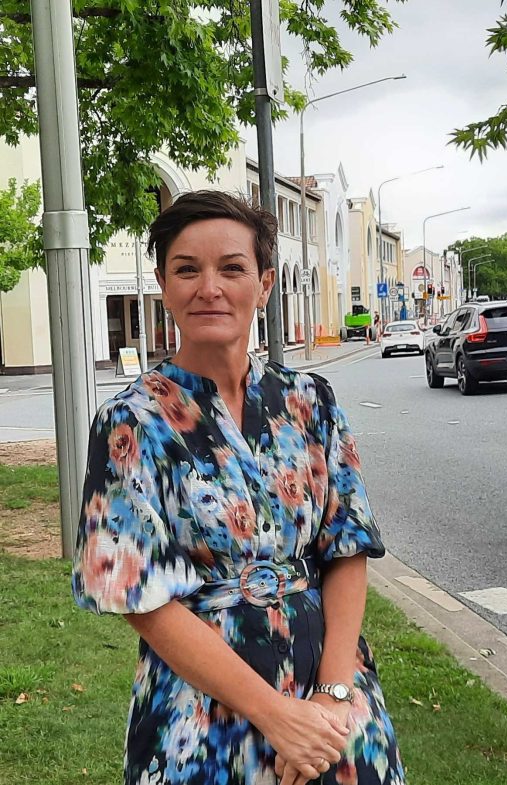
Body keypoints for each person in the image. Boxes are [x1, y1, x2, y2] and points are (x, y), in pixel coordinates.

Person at [71, 190, 405, 785]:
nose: (210, 287)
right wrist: (277, 718)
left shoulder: (311, 402)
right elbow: (138, 593)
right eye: (186, 269)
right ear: (163, 284)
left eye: (232, 267)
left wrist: (328, 700)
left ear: (266, 283)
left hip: (332, 695)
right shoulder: (130, 423)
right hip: (200, 711)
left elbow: (347, 547)